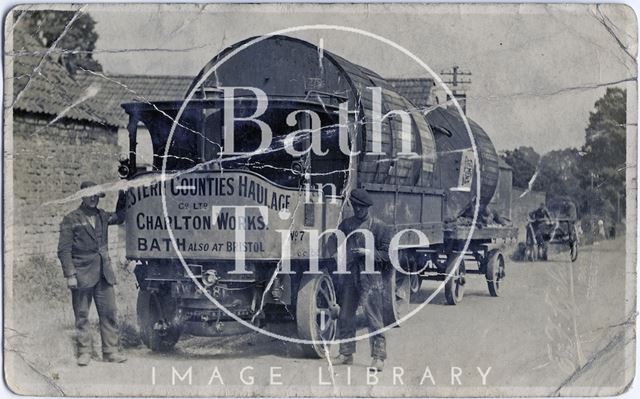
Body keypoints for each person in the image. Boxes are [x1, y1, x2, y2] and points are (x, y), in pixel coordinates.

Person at [57, 181, 127, 366]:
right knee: (82, 314)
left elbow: (120, 216)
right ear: (82, 196)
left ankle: (111, 351)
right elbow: (63, 250)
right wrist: (70, 275)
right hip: (81, 273)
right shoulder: (71, 219)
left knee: (110, 311)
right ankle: (84, 352)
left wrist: (124, 191)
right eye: (90, 195)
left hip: (104, 273)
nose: (93, 198)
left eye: (96, 195)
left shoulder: (103, 216)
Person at [332, 189, 392, 372]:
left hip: (371, 277)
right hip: (351, 275)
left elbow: (389, 254)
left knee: (373, 317)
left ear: (367, 207)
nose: (359, 210)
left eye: (362, 207)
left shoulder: (380, 227)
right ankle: (346, 353)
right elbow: (335, 242)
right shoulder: (347, 225)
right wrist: (335, 254)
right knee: (345, 315)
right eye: (356, 207)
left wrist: (370, 254)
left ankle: (378, 357)